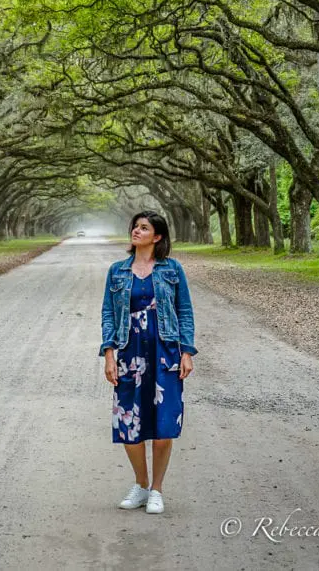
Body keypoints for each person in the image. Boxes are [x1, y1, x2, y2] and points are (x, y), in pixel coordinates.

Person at [100, 210, 196, 514]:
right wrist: (108, 353)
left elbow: (184, 311)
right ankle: (141, 485)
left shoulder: (172, 269)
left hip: (164, 351)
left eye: (144, 228)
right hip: (129, 353)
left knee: (165, 424)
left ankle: (157, 489)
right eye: (135, 227)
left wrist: (187, 351)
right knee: (128, 422)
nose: (136, 231)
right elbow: (108, 315)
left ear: (157, 237)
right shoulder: (117, 271)